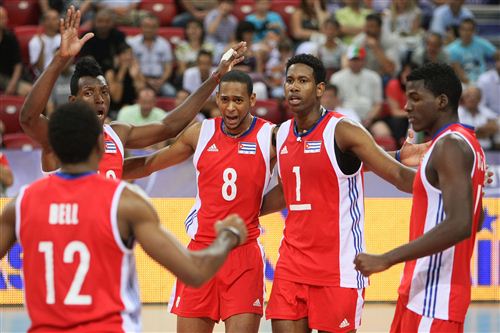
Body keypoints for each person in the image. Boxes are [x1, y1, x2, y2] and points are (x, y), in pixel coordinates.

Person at [0, 101, 248, 332]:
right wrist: (229, 235)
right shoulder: (124, 203)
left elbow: (28, 117)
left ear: (50, 149)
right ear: (99, 147)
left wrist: (59, 60)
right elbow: (196, 271)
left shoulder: (22, 205)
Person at [260, 54, 420, 333]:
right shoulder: (282, 133)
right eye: (289, 81)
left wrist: (455, 182)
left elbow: (397, 175)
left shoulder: (343, 130)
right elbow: (289, 191)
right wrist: (244, 208)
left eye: (303, 81)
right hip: (291, 266)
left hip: (338, 268)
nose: (293, 87)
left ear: (320, 89)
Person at [123, 70, 275, 333]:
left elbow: (296, 180)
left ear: (252, 99)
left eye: (238, 100)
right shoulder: (200, 132)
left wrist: (256, 207)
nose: (230, 107)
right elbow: (150, 164)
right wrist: (104, 170)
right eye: (224, 99)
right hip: (200, 252)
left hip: (244, 256)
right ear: (216, 98)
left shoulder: (269, 136)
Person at [19, 6, 246, 179]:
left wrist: (215, 77)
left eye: (105, 92)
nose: (100, 98)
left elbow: (169, 127)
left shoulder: (117, 133)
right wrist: (60, 60)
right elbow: (28, 118)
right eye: (89, 93)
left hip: (105, 238)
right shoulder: (58, 136)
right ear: (73, 101)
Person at [354, 63, 486, 333]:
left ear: (441, 101)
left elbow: (462, 223)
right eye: (406, 98)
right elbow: (477, 216)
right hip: (420, 293)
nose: (407, 107)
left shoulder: (450, 146)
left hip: (435, 301)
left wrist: (386, 258)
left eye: (415, 98)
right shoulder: (463, 142)